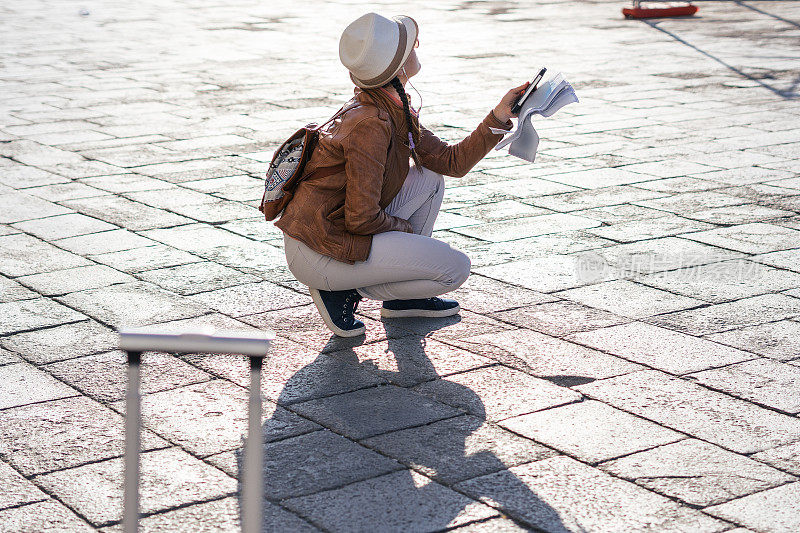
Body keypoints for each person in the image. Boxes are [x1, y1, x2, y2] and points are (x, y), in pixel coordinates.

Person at [276, 12, 529, 337]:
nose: (417, 44)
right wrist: (403, 229)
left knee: (429, 178)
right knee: (455, 269)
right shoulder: (371, 124)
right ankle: (340, 288)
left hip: (327, 232)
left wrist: (499, 114)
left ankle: (404, 299)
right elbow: (361, 219)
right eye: (409, 45)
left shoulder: (389, 106)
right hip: (321, 254)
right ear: (397, 70)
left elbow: (451, 162)